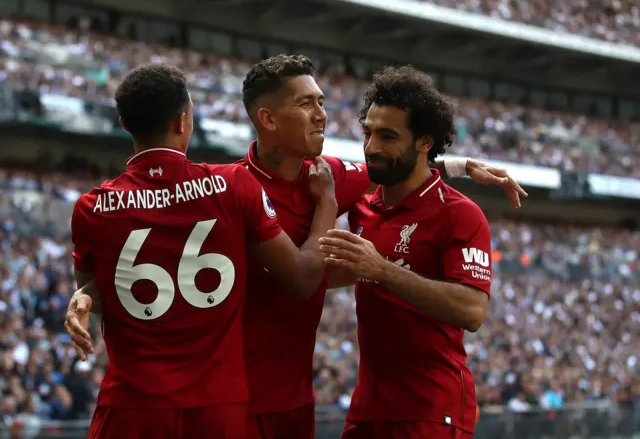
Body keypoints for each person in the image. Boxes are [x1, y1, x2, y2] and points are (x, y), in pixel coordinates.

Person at [66, 56, 525, 439]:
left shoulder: (330, 173)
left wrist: (462, 165)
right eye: (307, 104)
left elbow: (400, 162)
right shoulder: (228, 192)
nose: (323, 114)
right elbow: (154, 259)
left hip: (295, 405)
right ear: (267, 118)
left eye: (322, 102)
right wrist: (90, 292)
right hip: (233, 403)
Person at [71, 63, 338, 439]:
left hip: (132, 409)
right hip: (217, 410)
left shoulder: (91, 208)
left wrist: (81, 298)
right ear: (184, 122)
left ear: (125, 124)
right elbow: (303, 277)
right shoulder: (232, 185)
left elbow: (97, 296)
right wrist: (326, 202)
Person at [319, 66, 491, 439]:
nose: (371, 147)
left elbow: (472, 310)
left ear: (424, 141)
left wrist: (381, 270)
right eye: (367, 132)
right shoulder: (361, 202)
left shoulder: (460, 214)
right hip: (367, 408)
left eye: (388, 136)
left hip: (432, 410)